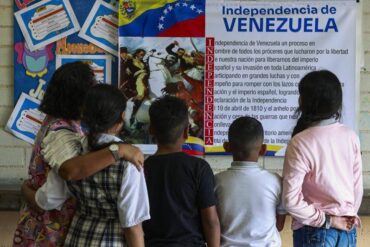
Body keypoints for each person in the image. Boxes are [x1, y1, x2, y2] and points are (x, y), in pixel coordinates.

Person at [15, 62, 144, 247]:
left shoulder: (67, 127)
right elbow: (70, 171)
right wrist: (119, 150)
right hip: (49, 231)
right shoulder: (62, 132)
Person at [12, 62, 96, 246]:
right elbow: (52, 195)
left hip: (42, 222)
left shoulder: (55, 122)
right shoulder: (62, 132)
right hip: (50, 229)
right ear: (79, 96)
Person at [282, 70, 362, 246]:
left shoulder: (300, 142)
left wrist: (329, 221)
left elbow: (290, 200)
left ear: (304, 102)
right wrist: (344, 218)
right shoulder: (351, 136)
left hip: (315, 232)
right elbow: (357, 189)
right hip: (347, 231)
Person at [143, 95, 220, 247]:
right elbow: (210, 220)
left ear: (151, 130)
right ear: (186, 132)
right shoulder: (199, 168)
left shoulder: (141, 169)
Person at [215, 116, 286, 247]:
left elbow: (214, 223)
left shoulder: (216, 182)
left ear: (226, 147)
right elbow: (279, 225)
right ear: (263, 149)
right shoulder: (276, 181)